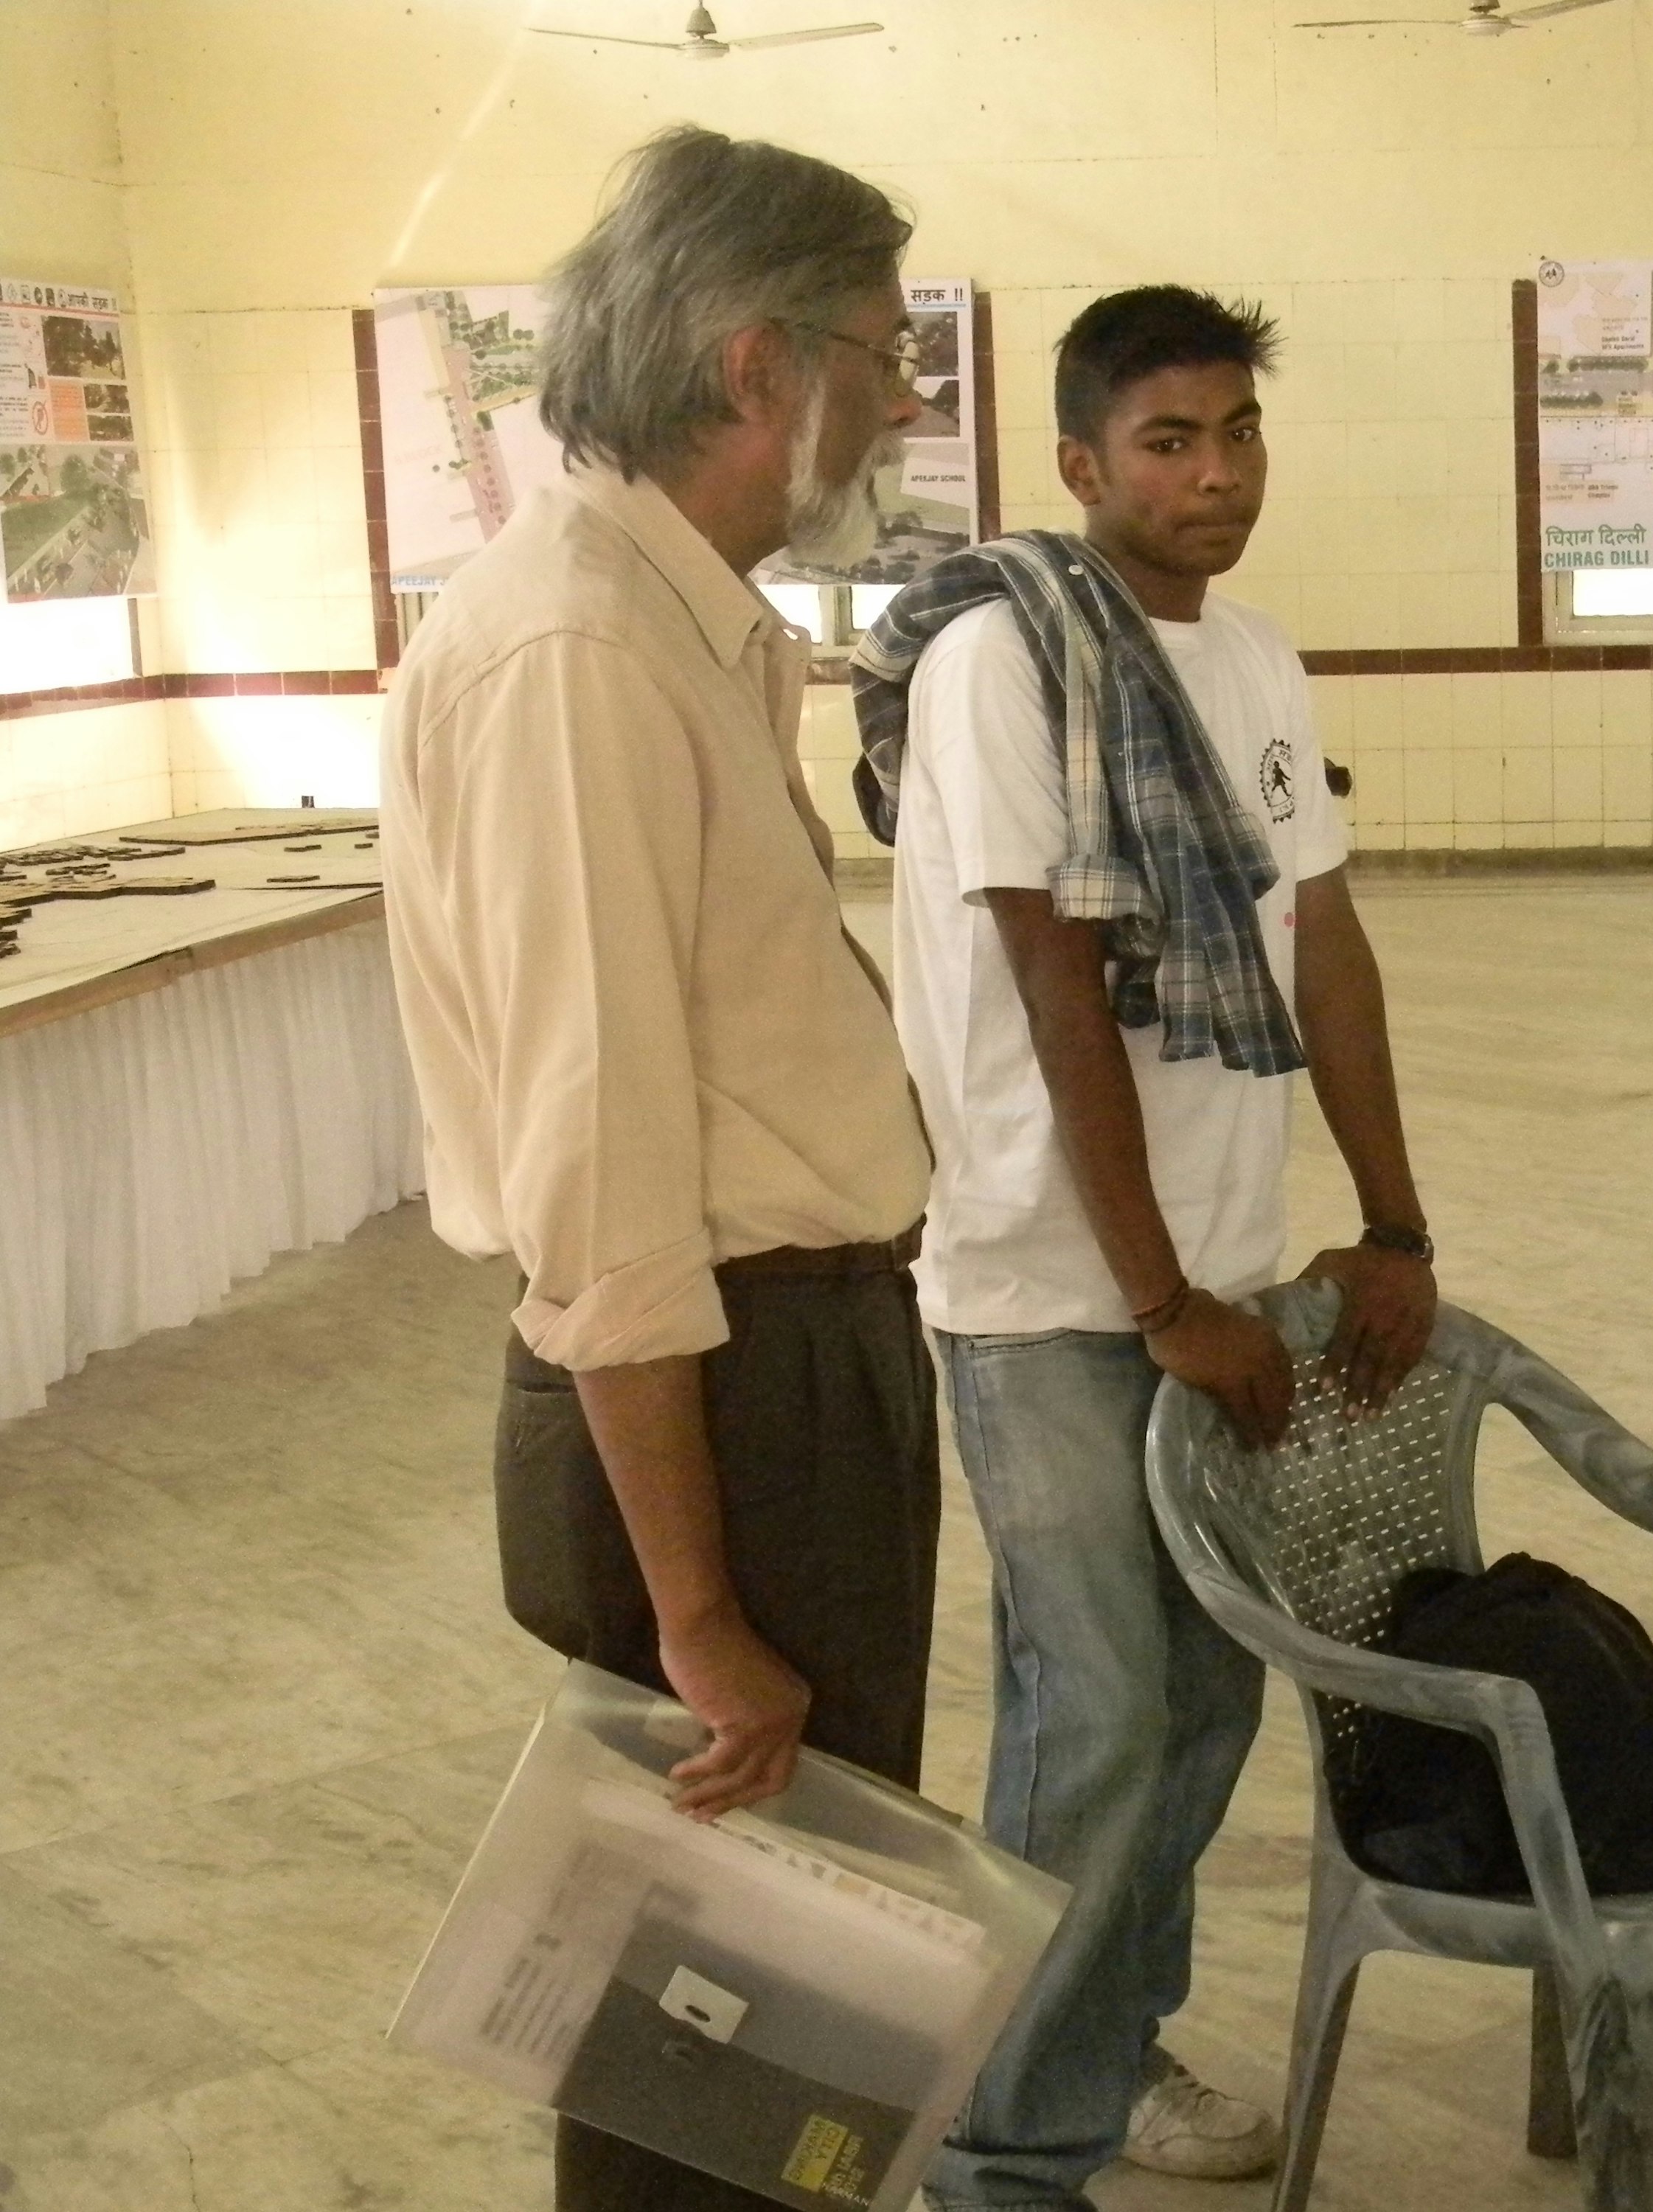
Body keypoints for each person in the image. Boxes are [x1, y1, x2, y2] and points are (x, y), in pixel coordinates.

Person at [380, 127, 939, 2212]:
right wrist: (698, 1608)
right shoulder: (578, 655)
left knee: (797, 1982)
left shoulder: (692, 624)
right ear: (753, 364)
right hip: (717, 1396)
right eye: (886, 352)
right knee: (700, 2028)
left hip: (801, 1362)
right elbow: (601, 1178)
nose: (905, 400)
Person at [853, 285, 1438, 2208]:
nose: (1214, 474)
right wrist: (1161, 1299)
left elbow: (1322, 948)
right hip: (1049, 1290)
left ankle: (1107, 2040)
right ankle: (1006, 2160)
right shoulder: (1003, 667)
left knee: (1208, 1698)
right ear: (1084, 465)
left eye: (1238, 434)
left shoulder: (1256, 661)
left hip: (1233, 1276)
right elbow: (1048, 974)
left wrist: (1391, 1223)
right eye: (1169, 443)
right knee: (1093, 1713)